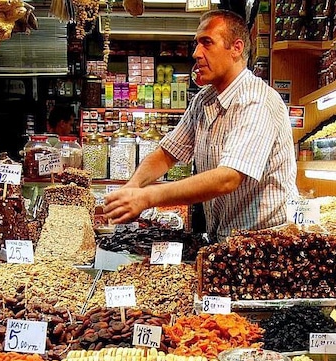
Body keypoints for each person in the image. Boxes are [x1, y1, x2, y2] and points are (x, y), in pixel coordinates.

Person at [104, 9, 297, 242]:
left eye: (207, 43)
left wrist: (147, 197)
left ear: (236, 48)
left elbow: (228, 178)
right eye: (196, 44)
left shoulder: (255, 101)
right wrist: (132, 187)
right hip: (224, 240)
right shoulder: (204, 100)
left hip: (264, 246)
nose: (196, 53)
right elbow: (166, 154)